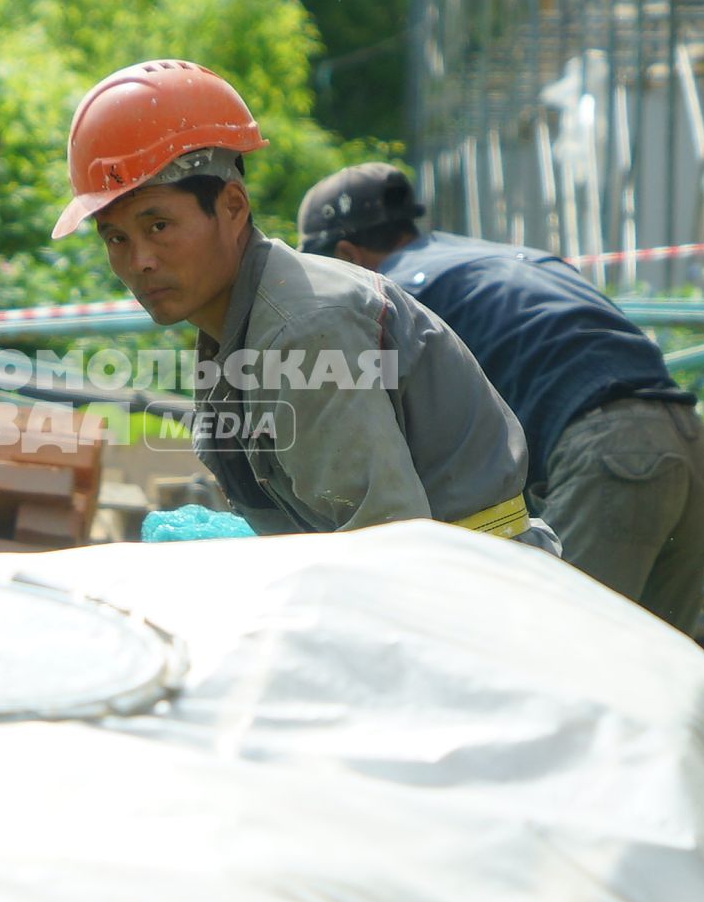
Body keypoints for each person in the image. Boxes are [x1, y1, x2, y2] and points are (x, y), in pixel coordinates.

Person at [54, 59, 550, 545]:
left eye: (158, 226)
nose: (138, 260)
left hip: (468, 600)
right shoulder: (239, 325)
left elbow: (389, 550)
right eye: (115, 238)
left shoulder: (303, 329)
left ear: (232, 207)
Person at [297, 162, 704, 631]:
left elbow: (387, 450)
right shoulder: (497, 259)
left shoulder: (390, 296)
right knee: (655, 682)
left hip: (612, 460)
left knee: (551, 664)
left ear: (346, 255)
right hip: (693, 448)